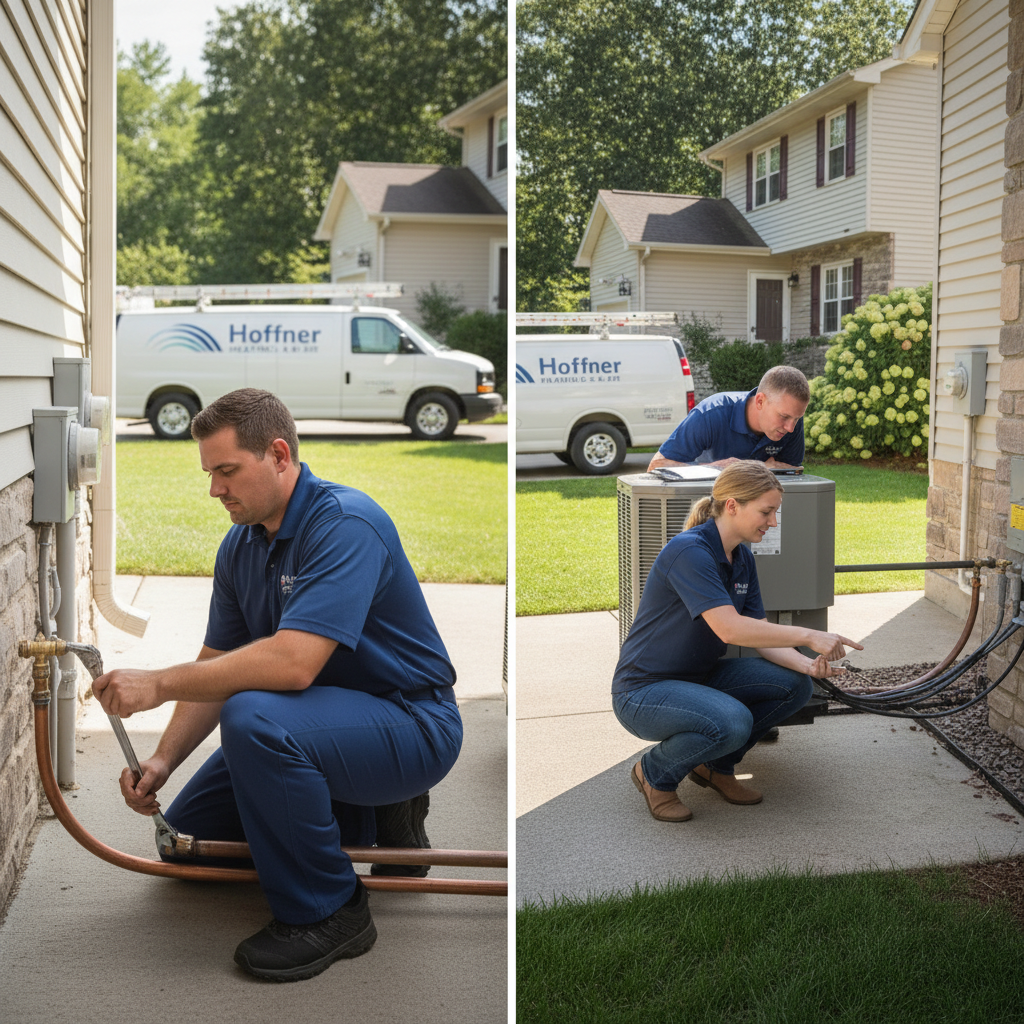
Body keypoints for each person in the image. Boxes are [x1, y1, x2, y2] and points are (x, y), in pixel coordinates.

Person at [90, 389, 463, 982]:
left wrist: (158, 683)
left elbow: (292, 665)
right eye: (210, 473)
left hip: (411, 723)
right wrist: (163, 761)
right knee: (186, 843)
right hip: (318, 725)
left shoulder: (346, 524)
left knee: (253, 717)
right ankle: (376, 820)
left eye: (227, 470)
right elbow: (218, 660)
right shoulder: (241, 545)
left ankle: (330, 909)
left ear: (280, 454)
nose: (216, 489)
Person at [612, 460, 861, 822]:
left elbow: (758, 632)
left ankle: (716, 767)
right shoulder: (690, 553)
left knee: (796, 686)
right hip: (643, 692)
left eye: (775, 512)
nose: (773, 522)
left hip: (697, 679)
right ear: (732, 505)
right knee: (732, 721)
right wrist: (809, 634)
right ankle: (655, 774)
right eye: (766, 511)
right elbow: (730, 629)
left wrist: (807, 665)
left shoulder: (741, 555)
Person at [648, 364, 810, 472]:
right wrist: (718, 467)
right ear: (760, 401)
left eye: (796, 419)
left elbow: (791, 472)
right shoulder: (710, 415)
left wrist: (751, 468)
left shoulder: (790, 421)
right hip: (705, 503)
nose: (790, 428)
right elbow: (656, 466)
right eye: (784, 416)